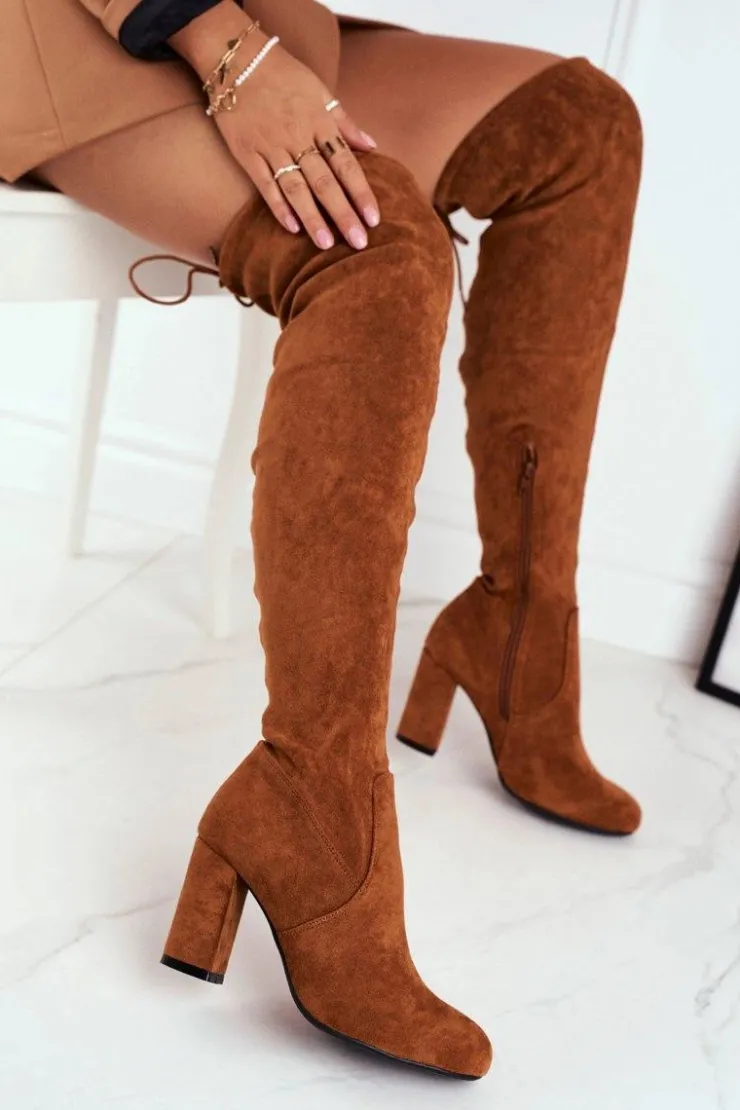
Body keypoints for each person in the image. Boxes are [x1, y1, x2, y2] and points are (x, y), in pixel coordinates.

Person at [1, 0, 643, 1078]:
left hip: (270, 21)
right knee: (375, 249)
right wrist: (228, 54)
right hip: (72, 34)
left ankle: (516, 643)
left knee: (579, 126)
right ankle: (311, 799)